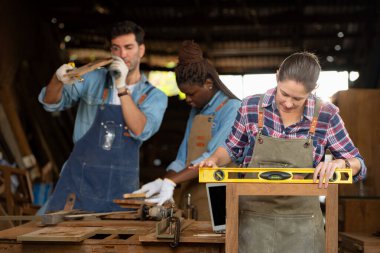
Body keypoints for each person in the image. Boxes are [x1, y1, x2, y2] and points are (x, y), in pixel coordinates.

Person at [197, 52, 367, 252]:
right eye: (284, 94)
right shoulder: (251, 107)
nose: (288, 103)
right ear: (277, 77)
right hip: (253, 225)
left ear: (313, 90)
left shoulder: (326, 115)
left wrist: (342, 163)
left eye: (297, 98)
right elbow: (232, 148)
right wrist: (214, 159)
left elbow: (358, 164)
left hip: (303, 228)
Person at [38, 20, 168, 213]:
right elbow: (50, 103)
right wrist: (57, 80)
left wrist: (121, 86)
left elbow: (140, 129)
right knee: (47, 235)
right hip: (79, 182)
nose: (122, 55)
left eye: (128, 47)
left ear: (141, 50)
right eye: (116, 48)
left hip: (120, 188)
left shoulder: (155, 97)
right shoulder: (92, 78)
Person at [133, 40, 241, 220]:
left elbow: (211, 158)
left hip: (220, 196)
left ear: (208, 83)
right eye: (184, 94)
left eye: (191, 93)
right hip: (192, 193)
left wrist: (172, 181)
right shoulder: (197, 110)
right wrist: (163, 181)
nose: (187, 99)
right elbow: (183, 158)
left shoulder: (233, 108)